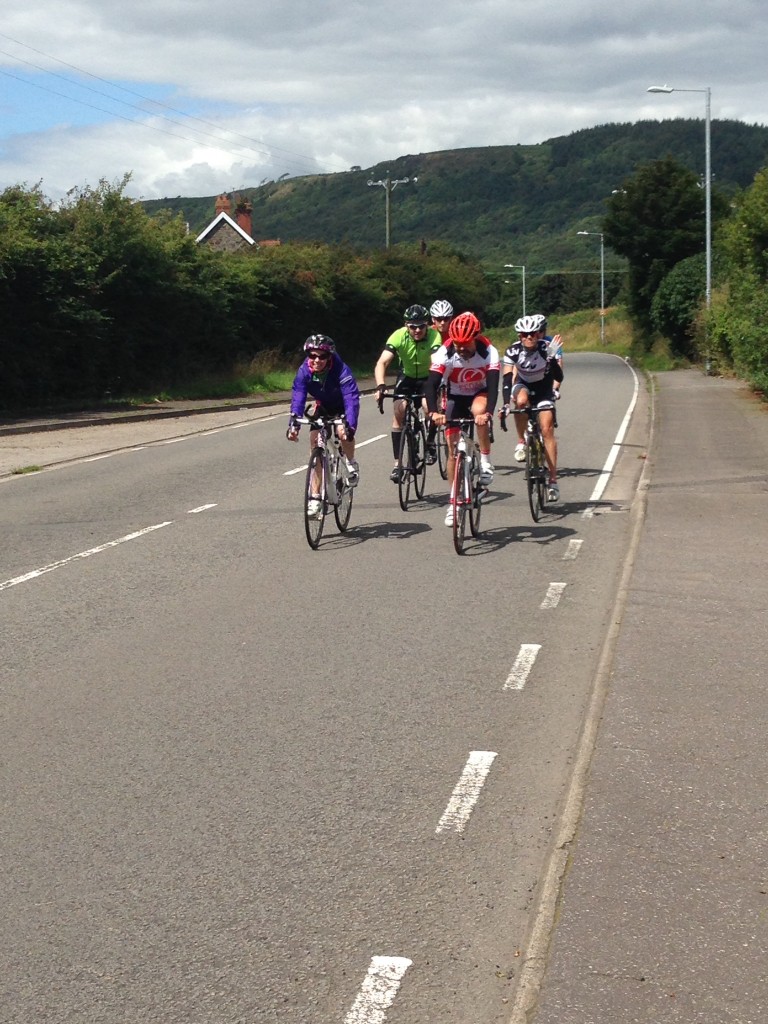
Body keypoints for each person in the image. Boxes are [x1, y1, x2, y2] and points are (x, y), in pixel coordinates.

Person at [425, 311, 500, 526]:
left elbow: (494, 387)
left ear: (475, 338)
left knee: (479, 412)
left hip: (480, 393)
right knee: (451, 450)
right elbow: (430, 385)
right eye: (457, 343)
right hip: (455, 396)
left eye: (465, 344)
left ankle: (485, 461)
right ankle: (454, 502)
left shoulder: (488, 352)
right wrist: (433, 412)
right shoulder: (445, 351)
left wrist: (488, 413)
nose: (460, 348)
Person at [287, 335, 360, 517]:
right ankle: (314, 497)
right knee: (315, 444)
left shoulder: (341, 370)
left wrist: (350, 426)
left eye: (322, 356)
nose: (317, 360)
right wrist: (293, 423)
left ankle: (351, 463)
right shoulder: (304, 371)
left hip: (343, 405)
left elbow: (351, 400)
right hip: (323, 406)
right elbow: (298, 395)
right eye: (313, 356)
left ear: (330, 357)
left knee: (343, 433)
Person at [374, 304, 442, 480]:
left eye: (421, 326)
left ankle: (430, 443)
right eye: (413, 326)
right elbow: (382, 362)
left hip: (428, 376)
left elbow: (436, 360)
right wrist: (381, 386)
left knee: (429, 408)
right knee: (398, 410)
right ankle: (398, 464)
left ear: (427, 325)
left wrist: (437, 383)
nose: (417, 330)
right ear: (406, 325)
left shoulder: (435, 336)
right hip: (407, 376)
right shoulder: (398, 336)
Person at [501, 314, 563, 502]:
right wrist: (505, 404)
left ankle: (552, 479)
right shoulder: (512, 351)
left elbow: (559, 377)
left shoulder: (546, 349)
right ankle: (522, 440)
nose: (528, 337)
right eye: (524, 334)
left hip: (544, 389)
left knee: (547, 429)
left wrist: (552, 359)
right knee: (519, 402)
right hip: (524, 385)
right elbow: (506, 379)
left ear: (539, 334)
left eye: (533, 333)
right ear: (519, 336)